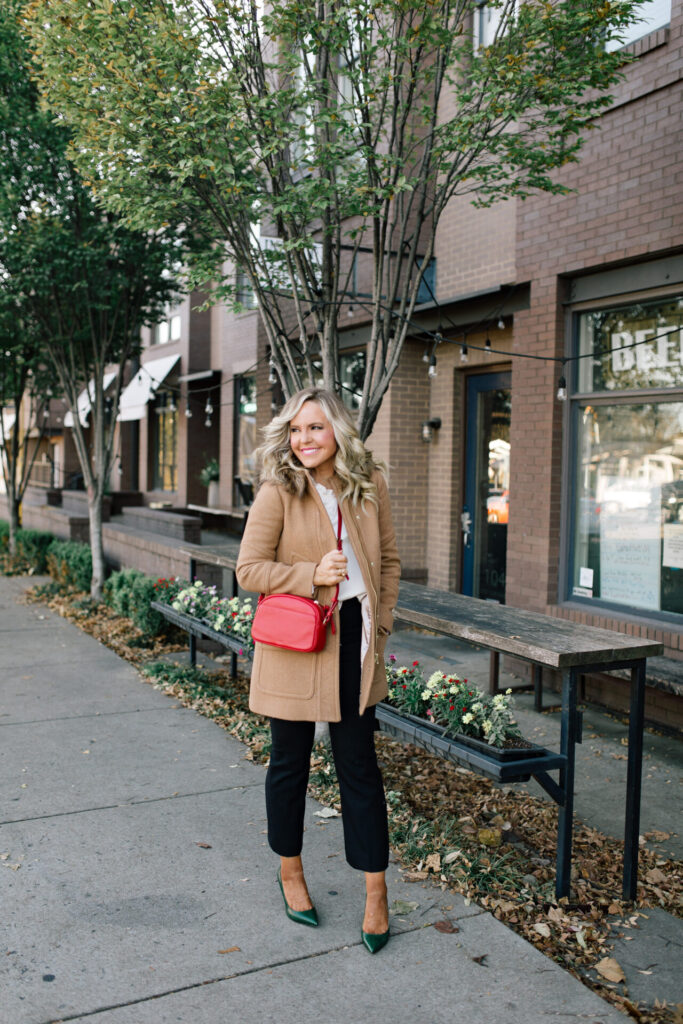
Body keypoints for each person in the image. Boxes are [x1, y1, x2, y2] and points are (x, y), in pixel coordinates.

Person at [236, 387, 401, 953]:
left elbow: (390, 561)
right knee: (290, 763)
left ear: (337, 432)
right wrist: (310, 573)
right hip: (298, 639)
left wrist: (381, 626)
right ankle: (291, 872)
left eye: (315, 428)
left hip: (354, 637)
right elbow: (249, 569)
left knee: (359, 765)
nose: (304, 439)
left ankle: (376, 892)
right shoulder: (279, 489)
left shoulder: (368, 484)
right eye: (296, 429)